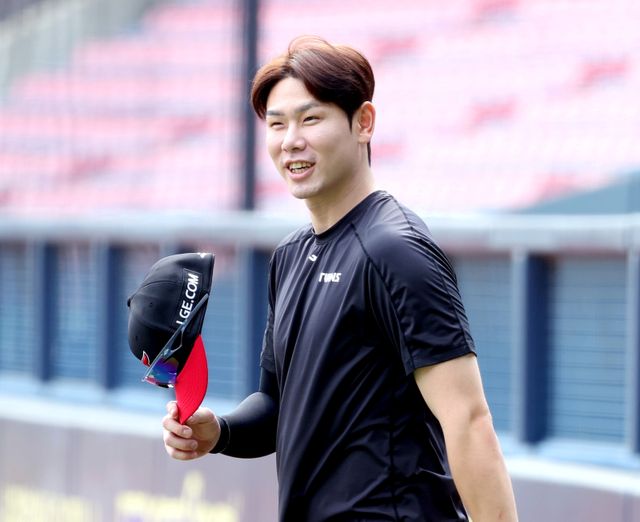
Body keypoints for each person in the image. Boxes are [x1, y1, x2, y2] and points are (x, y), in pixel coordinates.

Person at [161, 35, 519, 522]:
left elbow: (469, 421)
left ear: (363, 123)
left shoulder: (397, 251)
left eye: (310, 119)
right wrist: (220, 432)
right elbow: (277, 404)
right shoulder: (290, 255)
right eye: (277, 124)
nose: (291, 140)